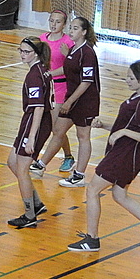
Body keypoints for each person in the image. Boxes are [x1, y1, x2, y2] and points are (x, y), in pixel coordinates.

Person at [67, 60, 140, 256]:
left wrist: (123, 132)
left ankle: (92, 239)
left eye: (131, 78)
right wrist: (106, 126)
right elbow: (128, 125)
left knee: (92, 190)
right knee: (119, 195)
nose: (127, 81)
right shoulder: (136, 97)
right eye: (127, 77)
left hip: (126, 156)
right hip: (122, 153)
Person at [30, 16, 100, 188]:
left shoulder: (87, 53)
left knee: (83, 136)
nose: (71, 31)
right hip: (72, 98)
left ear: (84, 32)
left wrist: (69, 102)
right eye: (71, 27)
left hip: (85, 101)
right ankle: (41, 165)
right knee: (58, 131)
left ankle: (79, 176)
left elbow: (86, 82)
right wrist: (48, 74)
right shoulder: (73, 49)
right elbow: (67, 69)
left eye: (76, 28)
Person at [7, 37, 53, 228]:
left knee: (22, 169)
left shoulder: (34, 75)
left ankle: (29, 215)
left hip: (35, 122)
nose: (22, 54)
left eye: (26, 51)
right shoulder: (42, 70)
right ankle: (36, 204)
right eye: (20, 50)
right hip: (32, 121)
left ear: (36, 53)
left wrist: (32, 137)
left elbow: (39, 107)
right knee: (12, 162)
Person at [30, 10, 76, 176]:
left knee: (57, 127)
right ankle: (66, 156)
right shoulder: (42, 39)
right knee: (50, 126)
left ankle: (66, 157)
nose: (54, 24)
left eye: (58, 21)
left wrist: (49, 74)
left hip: (61, 87)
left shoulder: (68, 42)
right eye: (51, 21)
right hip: (46, 87)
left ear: (64, 24)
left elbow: (70, 67)